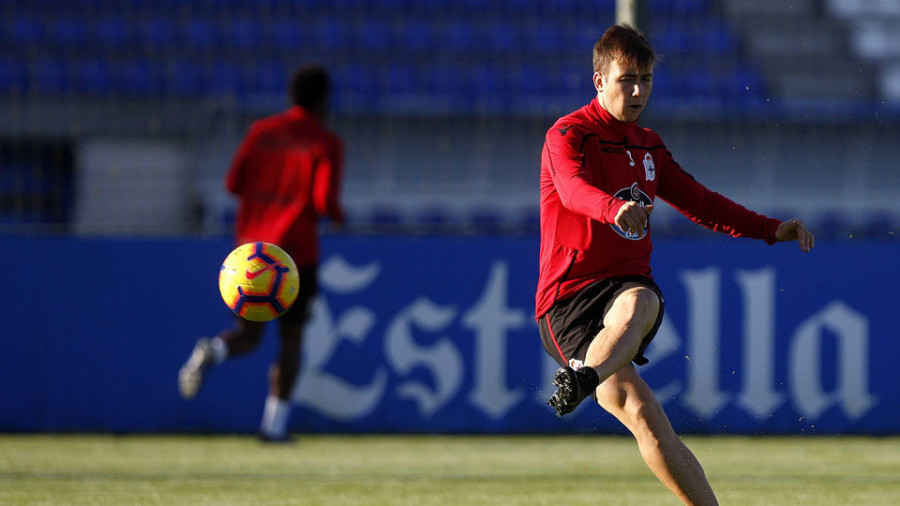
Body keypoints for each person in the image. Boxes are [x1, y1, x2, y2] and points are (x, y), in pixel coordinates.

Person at [537, 25, 814, 504]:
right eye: (627, 79)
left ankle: (584, 378)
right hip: (566, 301)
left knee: (646, 386)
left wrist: (771, 229)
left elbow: (701, 202)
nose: (639, 90)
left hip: (624, 289)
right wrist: (612, 208)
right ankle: (586, 373)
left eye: (645, 78)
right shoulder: (568, 134)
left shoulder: (648, 145)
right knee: (640, 399)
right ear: (599, 80)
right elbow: (571, 189)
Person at [178, 65, 346, 442]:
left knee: (248, 335)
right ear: (323, 100)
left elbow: (233, 183)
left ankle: (213, 351)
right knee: (291, 340)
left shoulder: (261, 132)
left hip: (249, 257)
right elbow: (324, 200)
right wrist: (337, 217)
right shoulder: (325, 141)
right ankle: (273, 428)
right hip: (294, 257)